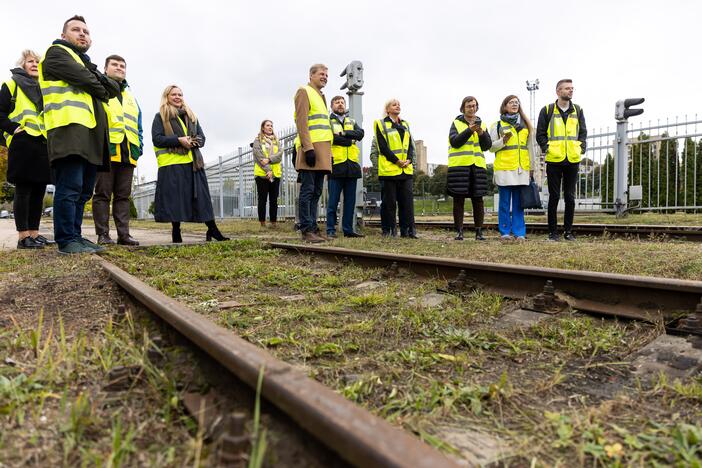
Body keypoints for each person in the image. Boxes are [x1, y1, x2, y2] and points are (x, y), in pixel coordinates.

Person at [39, 15, 120, 254]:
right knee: (70, 185)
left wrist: (98, 84)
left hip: (89, 133)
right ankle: (66, 239)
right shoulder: (56, 52)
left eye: (86, 31)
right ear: (64, 35)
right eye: (76, 30)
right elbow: (93, 83)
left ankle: (76, 235)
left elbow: (113, 88)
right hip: (68, 129)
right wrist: (99, 86)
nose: (82, 34)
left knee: (84, 190)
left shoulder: (85, 62)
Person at [151, 85, 228, 243]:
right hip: (172, 165)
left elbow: (202, 138)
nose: (178, 97)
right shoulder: (161, 116)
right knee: (176, 201)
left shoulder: (191, 116)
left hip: (193, 164)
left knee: (202, 199)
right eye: (174, 94)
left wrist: (192, 141)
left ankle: (213, 230)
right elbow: (157, 139)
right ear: (167, 97)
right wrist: (179, 140)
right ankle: (176, 232)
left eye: (180, 94)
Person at [0, 50, 52, 249]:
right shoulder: (12, 83)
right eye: (30, 61)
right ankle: (23, 237)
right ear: (22, 65)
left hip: (42, 142)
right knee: (24, 190)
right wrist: (13, 129)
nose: (35, 64)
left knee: (39, 190)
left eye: (38, 62)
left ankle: (34, 233)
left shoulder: (44, 88)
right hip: (22, 141)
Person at [93, 55, 142, 246]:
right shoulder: (100, 90)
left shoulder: (131, 97)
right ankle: (103, 234)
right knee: (102, 194)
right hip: (106, 151)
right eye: (115, 65)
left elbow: (138, 126)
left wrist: (140, 146)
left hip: (128, 152)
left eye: (122, 65)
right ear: (105, 69)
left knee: (123, 196)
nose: (119, 68)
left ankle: (124, 235)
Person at [536, 79, 587, 241]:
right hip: (554, 159)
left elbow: (583, 133)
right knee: (554, 196)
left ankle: (568, 232)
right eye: (567, 88)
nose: (570, 91)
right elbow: (540, 134)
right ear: (558, 91)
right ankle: (553, 233)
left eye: (572, 88)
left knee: (570, 197)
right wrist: (547, 148)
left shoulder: (578, 110)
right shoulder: (547, 110)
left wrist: (581, 148)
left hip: (572, 158)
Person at [293, 64, 333, 243]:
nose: (325, 77)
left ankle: (314, 228)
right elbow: (302, 122)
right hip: (312, 148)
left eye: (326, 75)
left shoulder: (321, 96)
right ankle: (306, 229)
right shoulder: (304, 91)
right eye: (321, 74)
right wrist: (308, 148)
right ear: (311, 75)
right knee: (308, 190)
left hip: (322, 150)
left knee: (316, 191)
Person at [488, 95, 536, 241]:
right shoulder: (497, 125)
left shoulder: (526, 125)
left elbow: (530, 148)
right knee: (504, 203)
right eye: (511, 102)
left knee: (518, 203)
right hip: (504, 168)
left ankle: (519, 232)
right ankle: (505, 232)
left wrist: (532, 168)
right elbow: (490, 147)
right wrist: (503, 141)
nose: (515, 104)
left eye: (517, 102)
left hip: (521, 169)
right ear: (505, 106)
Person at [447, 96, 492, 241]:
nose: (472, 108)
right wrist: (469, 130)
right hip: (459, 167)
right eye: (469, 106)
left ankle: (479, 232)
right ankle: (459, 232)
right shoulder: (456, 123)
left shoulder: (482, 124)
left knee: (478, 200)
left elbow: (487, 146)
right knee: (458, 199)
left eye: (474, 106)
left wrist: (481, 133)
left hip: (477, 166)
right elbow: (455, 142)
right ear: (463, 108)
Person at [374, 99, 416, 238]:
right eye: (394, 104)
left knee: (407, 203)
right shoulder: (380, 124)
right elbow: (383, 147)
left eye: (399, 104)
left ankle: (408, 231)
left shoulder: (405, 124)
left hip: (405, 169)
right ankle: (389, 230)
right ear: (387, 109)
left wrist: (409, 159)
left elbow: (410, 144)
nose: (398, 106)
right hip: (390, 170)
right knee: (389, 203)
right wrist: (397, 161)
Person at [327, 95, 364, 238]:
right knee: (333, 202)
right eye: (337, 102)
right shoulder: (329, 121)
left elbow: (360, 133)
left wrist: (344, 133)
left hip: (352, 166)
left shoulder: (351, 121)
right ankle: (330, 230)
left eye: (342, 102)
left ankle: (348, 230)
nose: (340, 104)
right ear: (332, 106)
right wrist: (349, 140)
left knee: (350, 202)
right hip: (336, 165)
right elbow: (332, 138)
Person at [252, 120, 283, 227]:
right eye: (268, 125)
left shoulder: (276, 141)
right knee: (262, 199)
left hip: (275, 174)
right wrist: (268, 170)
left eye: (271, 126)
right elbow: (259, 157)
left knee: (274, 200)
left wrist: (269, 159)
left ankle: (273, 222)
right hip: (262, 175)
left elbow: (279, 156)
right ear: (263, 127)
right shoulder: (257, 141)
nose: (270, 127)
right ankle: (262, 223)